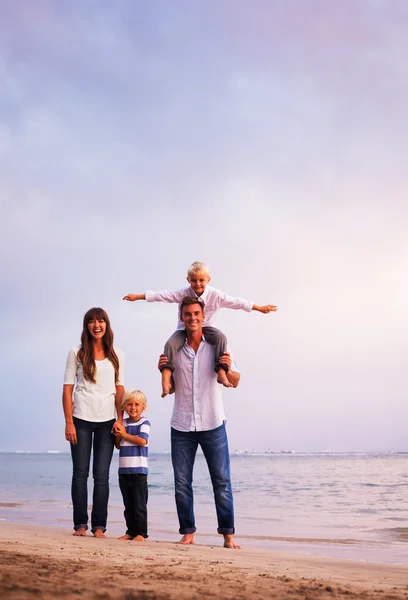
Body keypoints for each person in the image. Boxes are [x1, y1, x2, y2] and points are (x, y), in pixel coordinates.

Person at [123, 261, 276, 397]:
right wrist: (137, 296)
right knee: (170, 344)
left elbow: (237, 302)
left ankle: (221, 371)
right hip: (184, 328)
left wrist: (259, 308)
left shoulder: (216, 295)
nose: (197, 284)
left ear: (208, 280)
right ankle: (166, 379)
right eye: (193, 280)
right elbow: (163, 295)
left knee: (221, 337)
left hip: (208, 327)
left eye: (201, 280)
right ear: (188, 280)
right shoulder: (183, 293)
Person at [159, 296, 241, 549]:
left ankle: (228, 536)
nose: (192, 318)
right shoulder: (174, 349)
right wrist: (163, 372)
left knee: (222, 481)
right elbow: (171, 389)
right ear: (181, 318)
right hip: (182, 425)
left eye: (196, 314)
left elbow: (235, 380)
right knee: (182, 483)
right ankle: (188, 533)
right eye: (187, 314)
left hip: (213, 422)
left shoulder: (216, 346)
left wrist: (227, 368)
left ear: (203, 316)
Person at [62, 307, 125, 538]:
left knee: (102, 475)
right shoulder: (76, 353)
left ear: (106, 325)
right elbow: (67, 389)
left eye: (101, 321)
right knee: (80, 473)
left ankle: (99, 527)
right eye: (92, 321)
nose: (96, 325)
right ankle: (80, 525)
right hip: (81, 418)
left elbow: (120, 390)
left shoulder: (117, 354)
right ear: (86, 325)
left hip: (107, 420)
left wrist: (120, 419)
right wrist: (69, 422)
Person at [114, 389, 150, 542]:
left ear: (143, 407)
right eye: (129, 404)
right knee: (128, 504)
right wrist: (117, 435)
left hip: (139, 471)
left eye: (137, 404)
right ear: (124, 407)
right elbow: (118, 445)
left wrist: (124, 434)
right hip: (124, 470)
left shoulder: (144, 422)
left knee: (139, 504)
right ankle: (131, 531)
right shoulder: (123, 423)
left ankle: (141, 533)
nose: (133, 407)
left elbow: (142, 441)